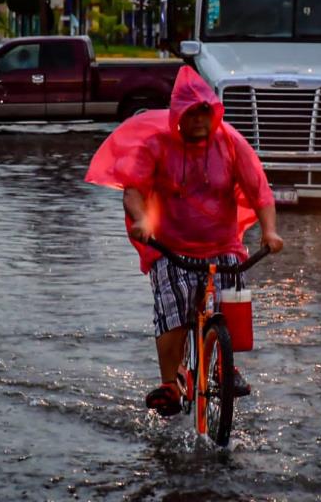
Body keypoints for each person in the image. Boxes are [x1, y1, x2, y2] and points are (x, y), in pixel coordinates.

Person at [85, 66, 284, 416]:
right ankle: (169, 384)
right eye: (191, 113)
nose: (198, 120)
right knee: (174, 310)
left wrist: (269, 232)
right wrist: (143, 219)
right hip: (172, 248)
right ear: (178, 115)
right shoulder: (156, 145)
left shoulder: (231, 144)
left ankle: (225, 364)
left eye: (204, 112)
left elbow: (260, 192)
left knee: (232, 305)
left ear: (214, 113)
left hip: (223, 247)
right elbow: (134, 191)